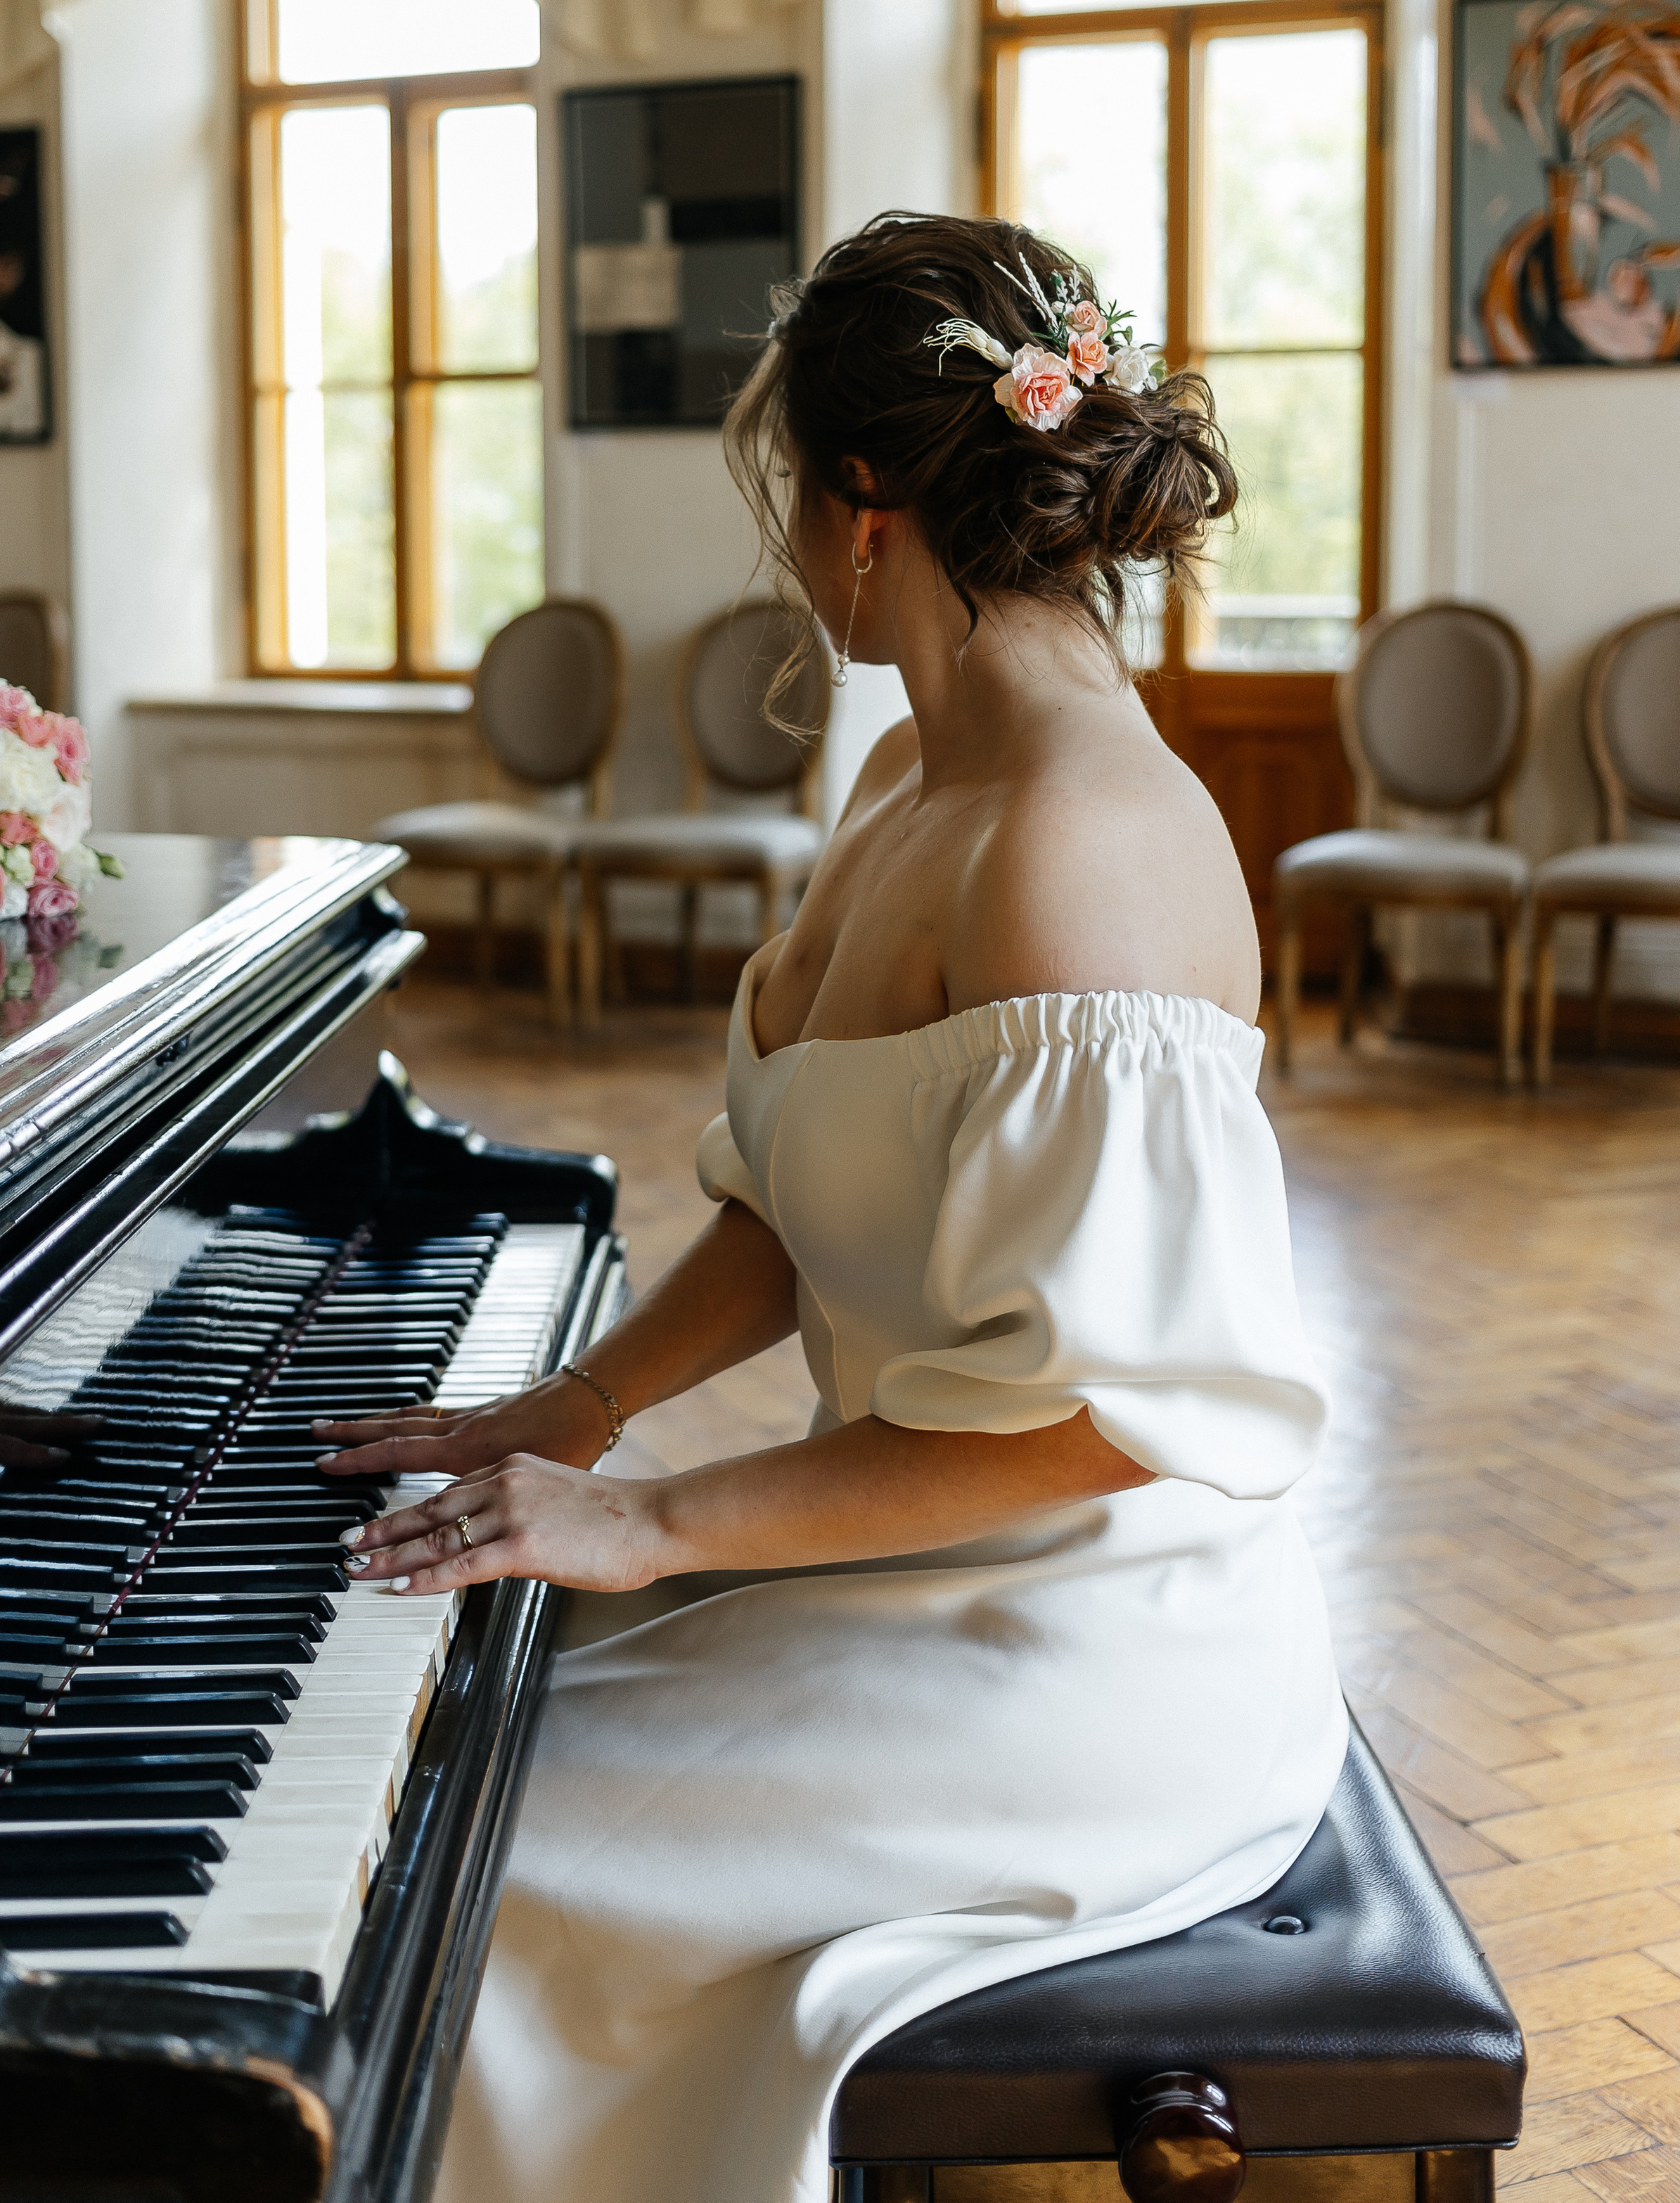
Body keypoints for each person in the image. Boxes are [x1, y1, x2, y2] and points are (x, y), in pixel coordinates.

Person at [314, 214, 1346, 2203]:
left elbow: (1107, 1415)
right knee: (432, 1746)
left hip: (1081, 1654)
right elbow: (806, 1208)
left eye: (788, 491)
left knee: (443, 1883)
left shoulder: (1079, 856)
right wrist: (577, 1417)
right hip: (915, 1585)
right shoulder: (902, 786)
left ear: (863, 509)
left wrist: (659, 1521)